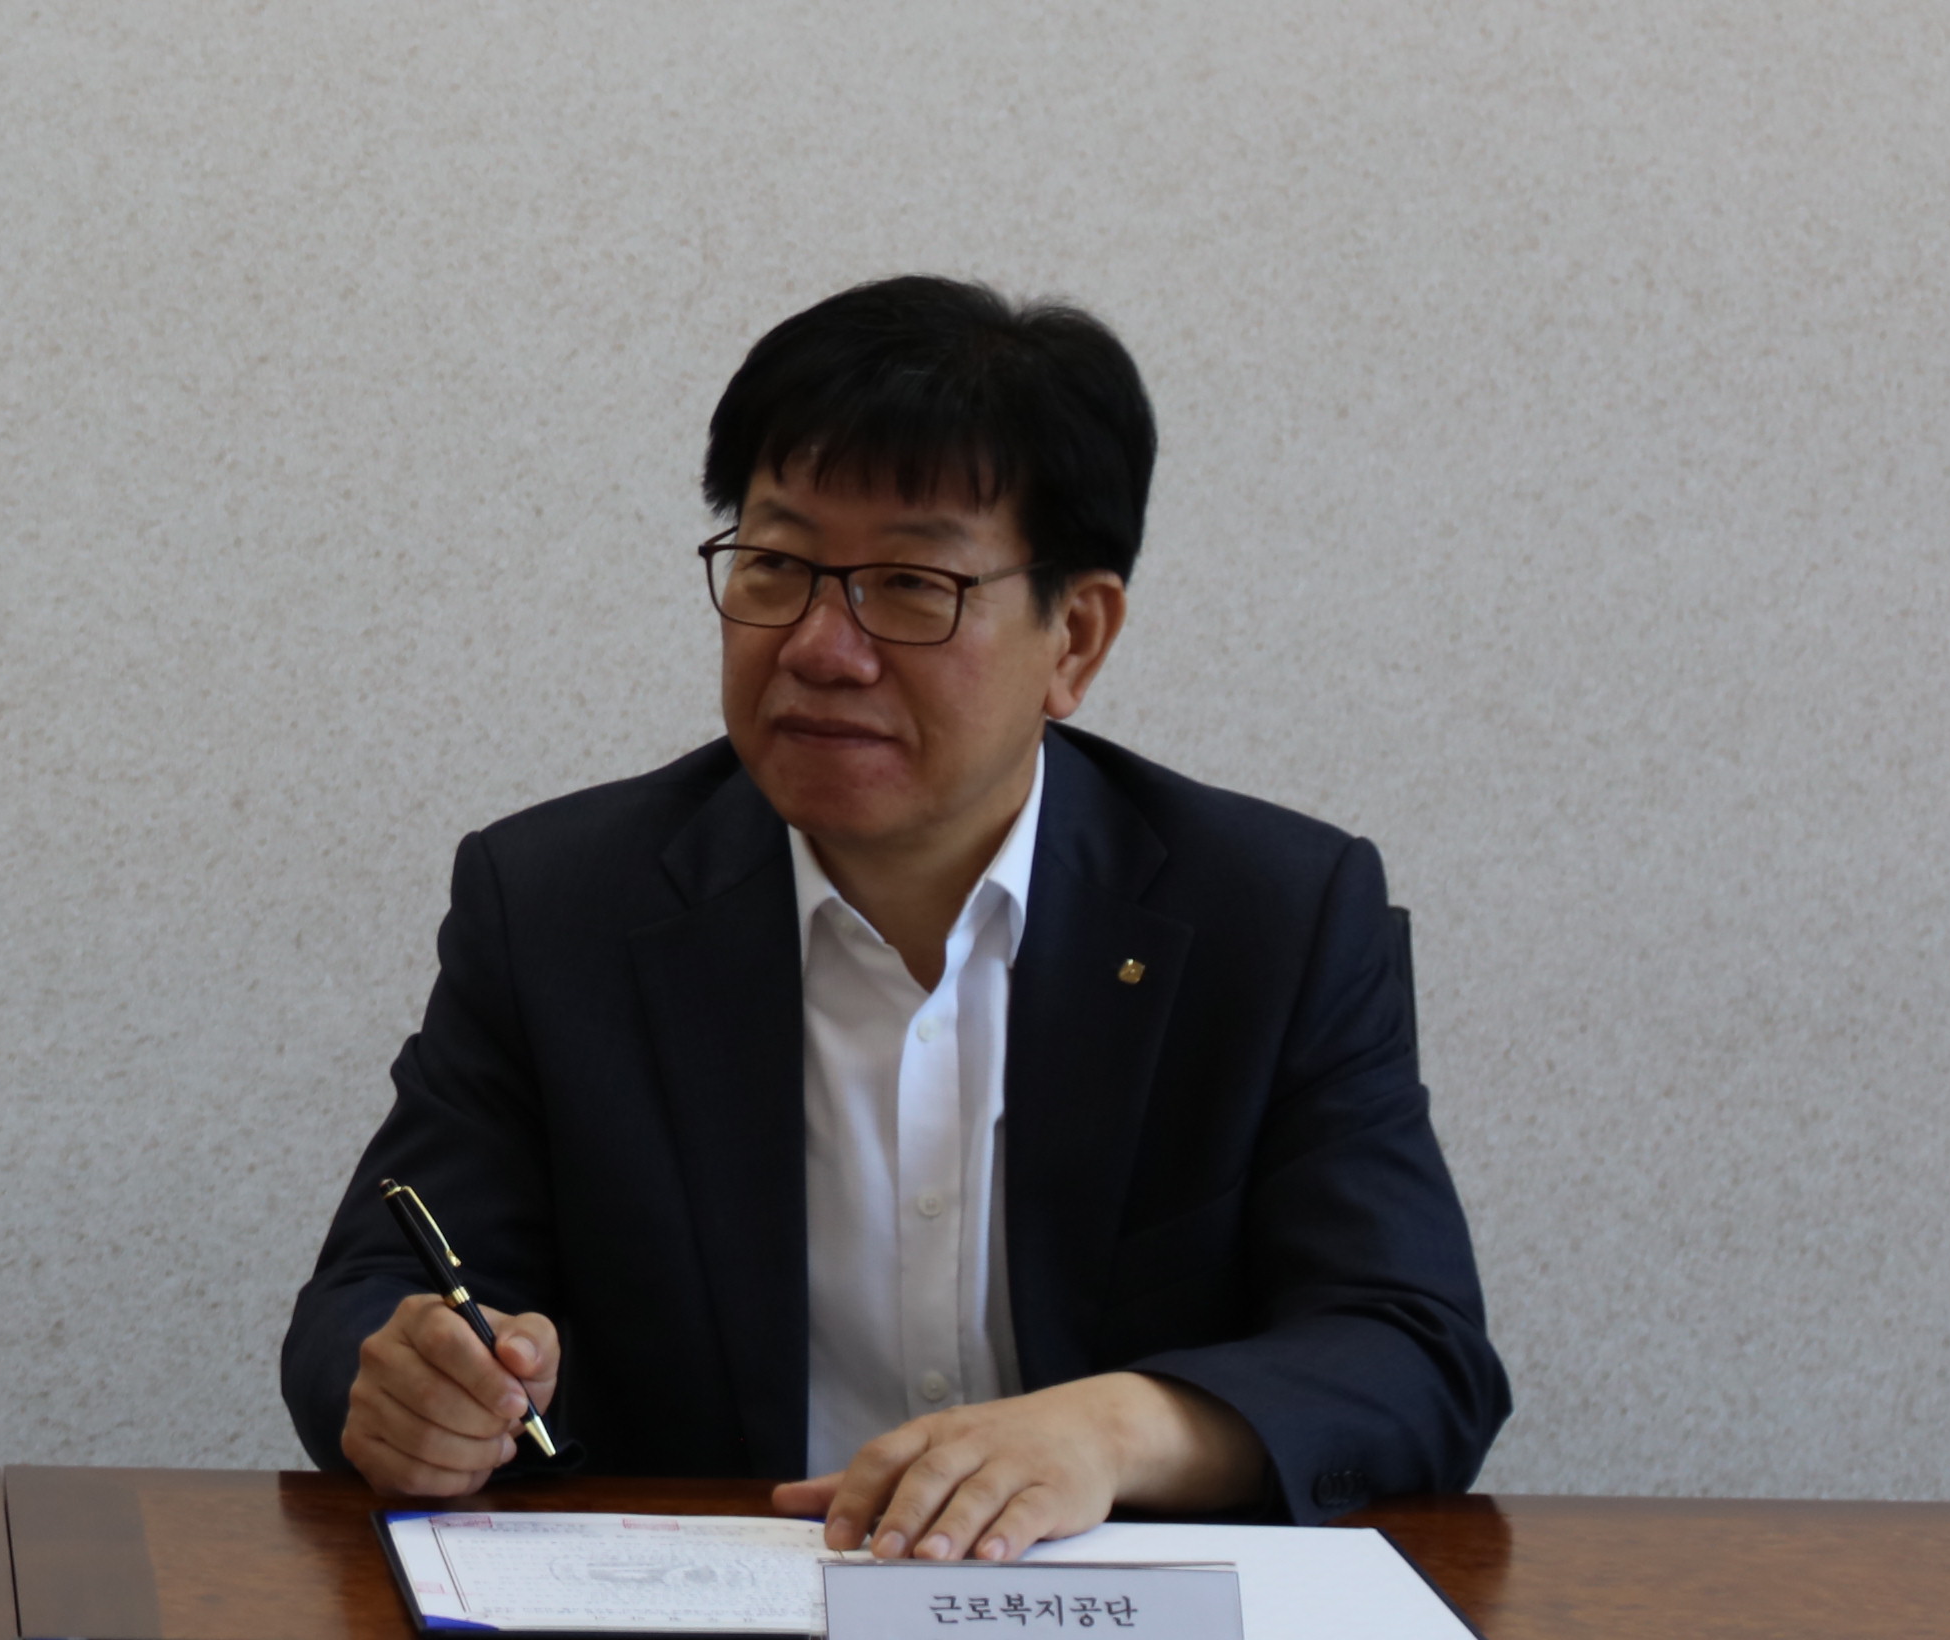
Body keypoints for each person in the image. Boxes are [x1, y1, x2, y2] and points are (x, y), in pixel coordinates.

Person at [282, 276, 1504, 1558]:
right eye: (776, 567)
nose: (822, 646)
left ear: (1075, 640)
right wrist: (416, 1385)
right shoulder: (560, 906)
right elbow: (370, 1296)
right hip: (705, 1637)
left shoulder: (1272, 917)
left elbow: (1411, 1351)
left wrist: (1109, 1432)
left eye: (912, 586)